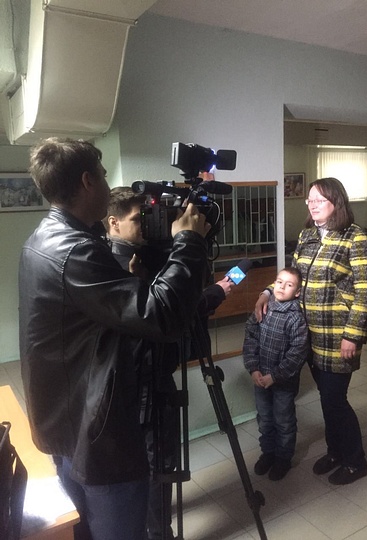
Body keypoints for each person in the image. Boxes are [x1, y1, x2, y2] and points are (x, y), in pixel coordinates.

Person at [18, 137, 211, 540]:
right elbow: (161, 315)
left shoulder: (44, 238)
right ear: (87, 181)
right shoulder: (76, 252)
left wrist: (131, 284)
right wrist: (189, 242)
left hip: (67, 423)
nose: (108, 185)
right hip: (97, 435)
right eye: (103, 176)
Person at [103, 186, 234, 540]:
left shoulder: (139, 256)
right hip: (145, 384)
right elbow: (165, 313)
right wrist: (208, 286)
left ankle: (157, 521)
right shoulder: (116, 266)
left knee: (154, 465)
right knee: (157, 464)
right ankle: (160, 532)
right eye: (139, 219)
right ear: (113, 223)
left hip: (148, 377)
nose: (147, 226)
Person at [255, 177, 367, 485]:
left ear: (337, 202)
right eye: (309, 199)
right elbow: (292, 276)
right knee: (326, 399)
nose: (312, 204)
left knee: (335, 400)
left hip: (338, 336)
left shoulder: (356, 237)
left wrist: (353, 335)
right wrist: (268, 292)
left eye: (319, 200)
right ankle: (335, 451)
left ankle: (356, 461)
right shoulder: (308, 235)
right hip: (307, 334)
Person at [243, 267, 309, 481]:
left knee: (284, 421)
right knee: (264, 418)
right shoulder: (263, 308)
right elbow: (250, 337)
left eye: (289, 285)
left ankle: (283, 458)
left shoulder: (296, 318)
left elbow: (297, 353)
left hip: (283, 382)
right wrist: (253, 368)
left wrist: (275, 376)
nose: (282, 287)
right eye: (279, 282)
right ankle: (268, 453)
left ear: (297, 292)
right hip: (260, 378)